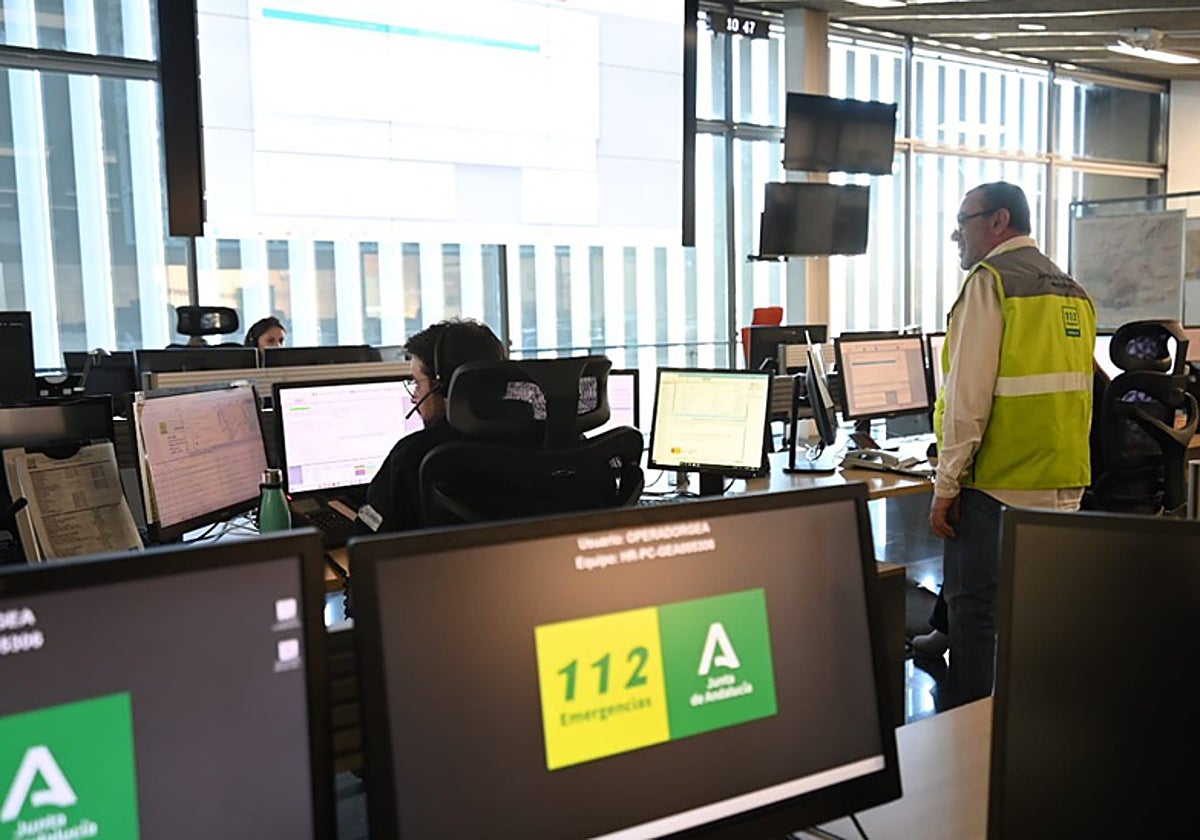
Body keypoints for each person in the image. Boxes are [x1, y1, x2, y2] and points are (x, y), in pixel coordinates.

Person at [929, 181, 1095, 708]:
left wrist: (945, 483)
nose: (957, 233)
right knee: (1037, 613)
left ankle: (966, 744)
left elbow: (968, 398)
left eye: (964, 219)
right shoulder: (1071, 289)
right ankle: (1034, 730)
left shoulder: (991, 282)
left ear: (999, 221)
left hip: (1001, 481)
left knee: (975, 612)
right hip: (1065, 480)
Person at [355, 318, 506, 535]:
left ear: (442, 386)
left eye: (417, 383)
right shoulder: (544, 437)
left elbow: (364, 543)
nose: (415, 398)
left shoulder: (413, 454)